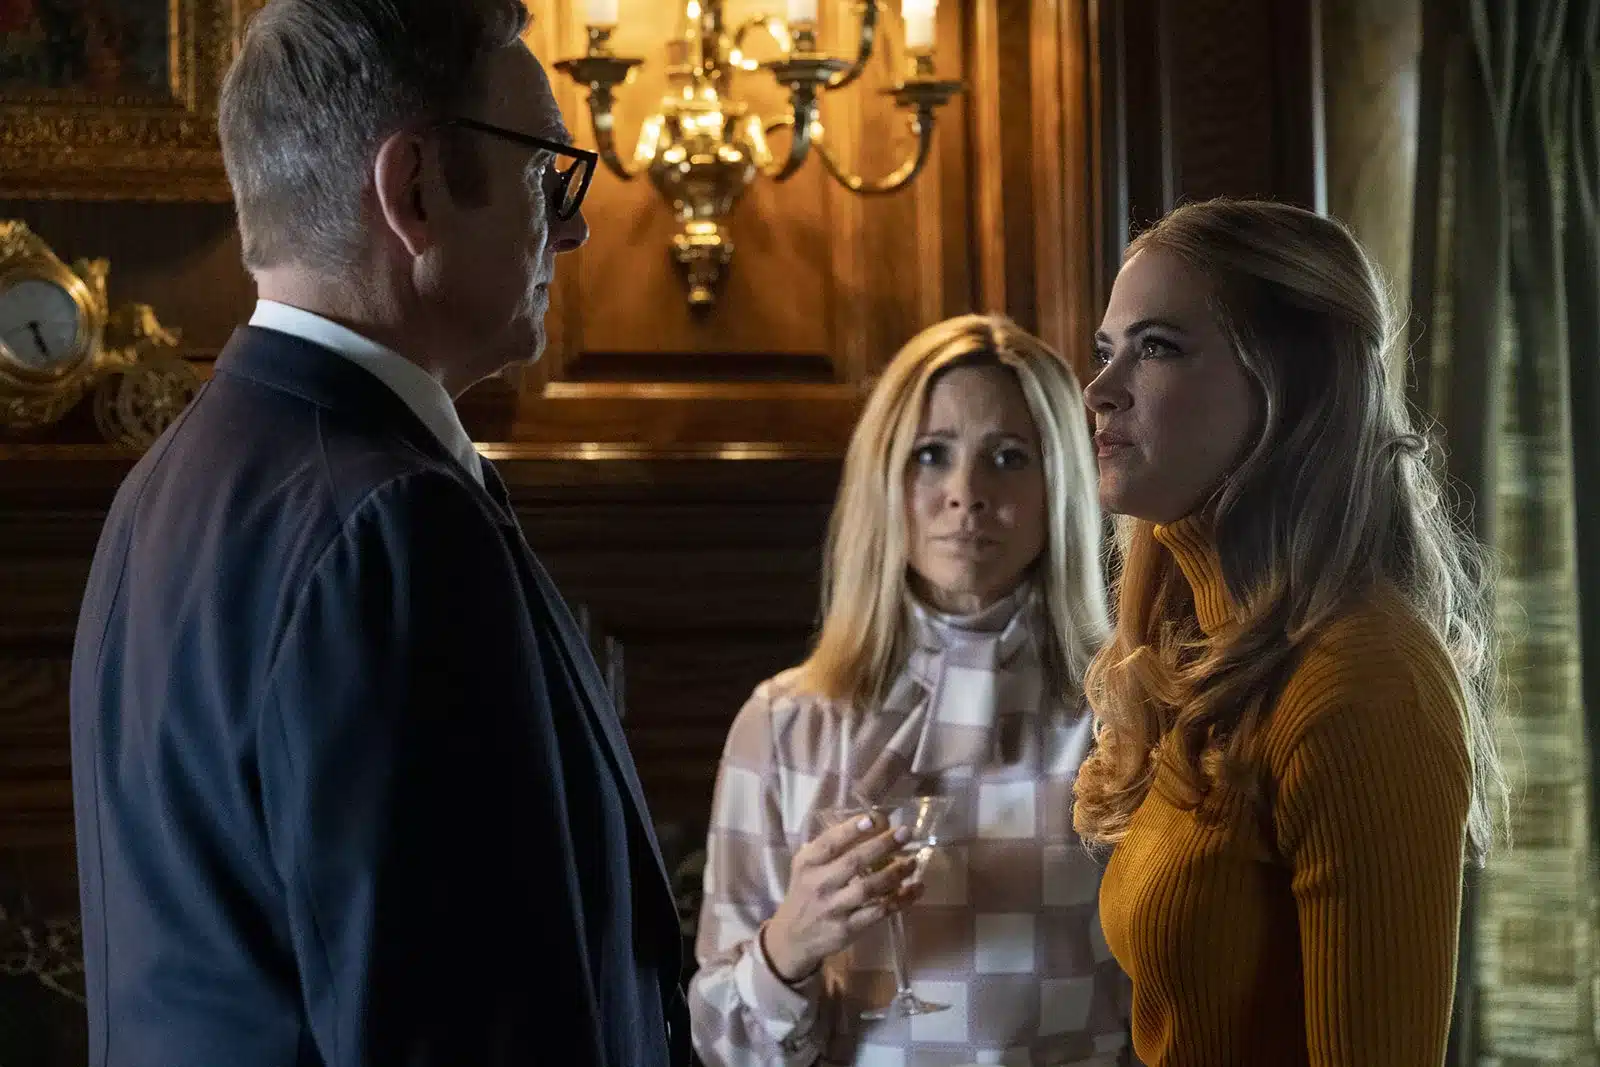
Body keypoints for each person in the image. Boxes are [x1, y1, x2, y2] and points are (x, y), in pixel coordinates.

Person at [68, 2, 687, 1064]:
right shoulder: (393, 524)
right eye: (545, 173)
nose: (572, 228)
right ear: (415, 190)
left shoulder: (164, 483)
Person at [1074, 198, 1510, 1065]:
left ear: (1288, 384)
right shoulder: (1213, 645)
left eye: (1156, 347)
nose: (1099, 390)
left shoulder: (1362, 683)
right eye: (1105, 349)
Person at [691, 314, 1132, 1067]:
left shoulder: (1125, 714)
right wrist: (788, 944)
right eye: (932, 455)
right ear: (884, 479)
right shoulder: (784, 724)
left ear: (1059, 482)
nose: (967, 493)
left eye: (1008, 456)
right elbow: (718, 1043)